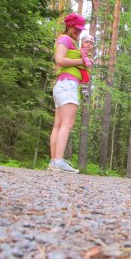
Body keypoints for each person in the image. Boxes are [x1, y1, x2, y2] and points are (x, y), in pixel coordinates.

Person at [48, 13, 92, 173]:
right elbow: (59, 59)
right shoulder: (65, 39)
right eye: (76, 29)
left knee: (59, 124)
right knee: (67, 123)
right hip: (68, 85)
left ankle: (54, 161)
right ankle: (58, 160)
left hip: (62, 85)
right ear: (69, 26)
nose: (79, 32)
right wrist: (82, 62)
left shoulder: (70, 40)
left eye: (81, 30)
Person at [78, 34, 94, 98]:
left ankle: (83, 87)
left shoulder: (87, 52)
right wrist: (87, 61)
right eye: (86, 42)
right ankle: (83, 88)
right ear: (82, 43)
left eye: (91, 43)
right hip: (80, 67)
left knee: (86, 77)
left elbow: (86, 57)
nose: (89, 44)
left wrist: (90, 60)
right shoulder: (83, 50)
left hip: (82, 67)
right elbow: (83, 56)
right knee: (86, 76)